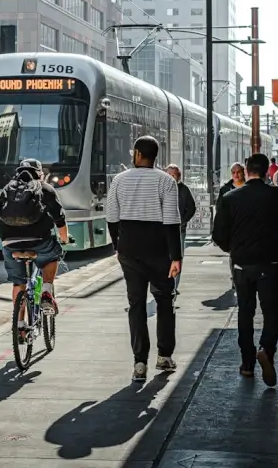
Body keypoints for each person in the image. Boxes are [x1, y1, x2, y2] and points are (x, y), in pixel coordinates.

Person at [212, 153, 278, 386]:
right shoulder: (275, 194)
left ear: (246, 171)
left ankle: (247, 364)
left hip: (241, 264)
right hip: (269, 262)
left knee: (245, 312)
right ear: (268, 171)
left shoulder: (230, 197)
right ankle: (266, 350)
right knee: (270, 312)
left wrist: (233, 249)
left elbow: (218, 234)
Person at [107, 135, 182, 383]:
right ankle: (164, 356)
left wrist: (118, 245)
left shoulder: (119, 180)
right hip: (160, 251)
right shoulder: (166, 182)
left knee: (136, 304)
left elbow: (112, 217)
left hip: (130, 251)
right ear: (155, 156)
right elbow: (172, 221)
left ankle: (140, 363)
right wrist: (176, 257)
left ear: (137, 154)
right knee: (164, 301)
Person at [0, 158, 69, 330]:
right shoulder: (45, 188)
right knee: (53, 256)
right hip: (39, 241)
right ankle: (46, 291)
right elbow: (59, 220)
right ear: (40, 174)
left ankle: (20, 326)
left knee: (18, 283)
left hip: (10, 243)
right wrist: (64, 239)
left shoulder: (8, 189)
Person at [166, 164, 196, 293]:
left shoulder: (184, 190)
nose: (172, 177)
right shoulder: (161, 189)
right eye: (169, 175)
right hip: (163, 230)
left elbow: (191, 208)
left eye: (174, 175)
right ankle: (166, 283)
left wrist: (183, 221)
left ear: (179, 176)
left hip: (179, 230)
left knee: (177, 257)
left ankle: (173, 286)